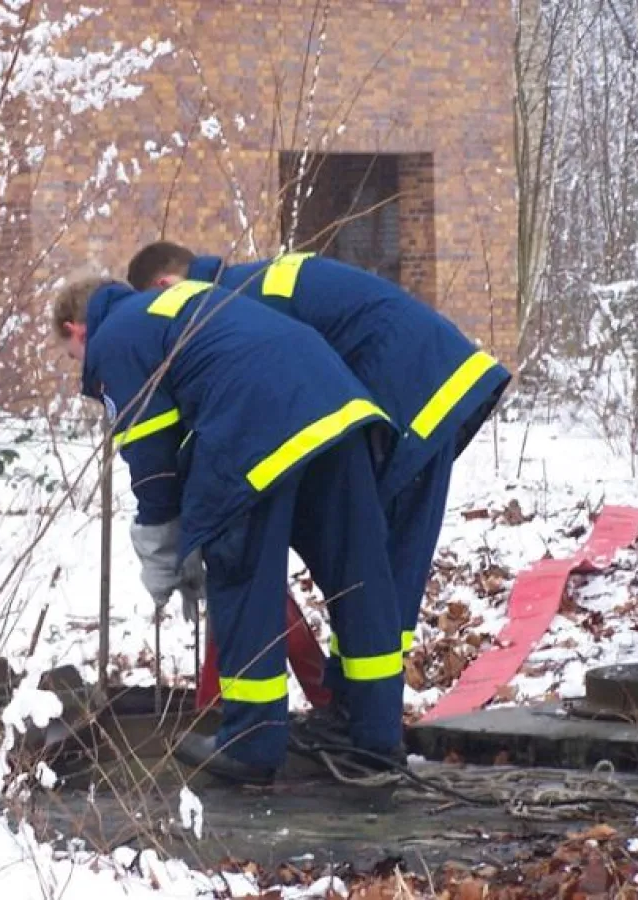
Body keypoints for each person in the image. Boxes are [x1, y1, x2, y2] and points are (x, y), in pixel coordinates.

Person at [52, 275, 405, 784]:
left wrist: (163, 551)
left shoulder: (114, 338)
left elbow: (151, 459)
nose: (81, 368)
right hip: (339, 407)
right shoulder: (181, 304)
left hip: (255, 422)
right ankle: (376, 735)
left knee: (241, 574)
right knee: (357, 576)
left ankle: (250, 744)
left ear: (77, 331)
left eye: (72, 357)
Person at [126, 242, 511, 693]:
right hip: (419, 386)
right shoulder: (245, 287)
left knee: (382, 570)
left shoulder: (229, 307)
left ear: (164, 286)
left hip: (412, 395)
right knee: (372, 567)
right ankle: (357, 705)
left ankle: (362, 713)